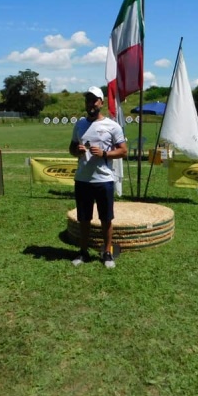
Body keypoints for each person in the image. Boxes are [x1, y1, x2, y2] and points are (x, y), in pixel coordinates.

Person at [69, 86, 127, 269]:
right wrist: (76, 151)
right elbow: (71, 148)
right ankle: (83, 252)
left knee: (106, 218)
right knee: (84, 218)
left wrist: (104, 154)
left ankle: (107, 252)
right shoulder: (79, 124)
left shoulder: (112, 126)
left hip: (104, 180)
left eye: (94, 100)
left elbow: (123, 151)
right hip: (82, 179)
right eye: (88, 100)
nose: (91, 103)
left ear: (101, 102)